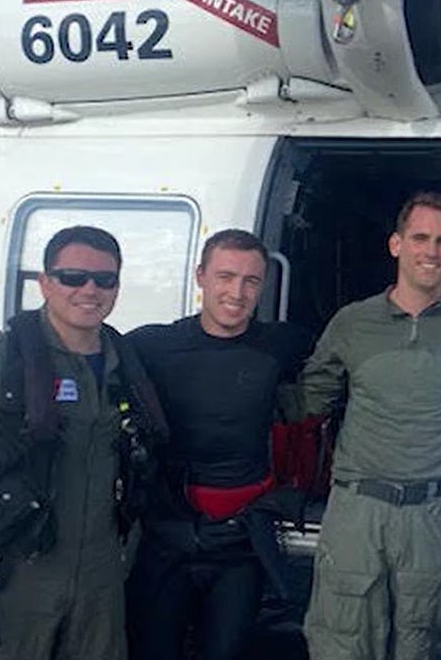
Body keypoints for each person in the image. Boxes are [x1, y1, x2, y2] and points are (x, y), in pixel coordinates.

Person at [301, 191, 441, 660]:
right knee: (340, 642)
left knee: (418, 642)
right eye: (420, 238)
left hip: (432, 511)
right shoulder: (352, 323)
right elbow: (309, 401)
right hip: (358, 508)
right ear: (395, 245)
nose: (431, 251)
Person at [0, 226, 167, 659]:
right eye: (73, 277)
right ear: (44, 282)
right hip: (13, 575)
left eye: (105, 279)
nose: (90, 290)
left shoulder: (127, 367)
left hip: (100, 581)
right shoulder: (1, 364)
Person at [124, 229, 313, 660]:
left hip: (240, 542)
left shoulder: (281, 344)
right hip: (168, 534)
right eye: (225, 276)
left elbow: (348, 351)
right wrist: (2, 347)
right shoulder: (153, 345)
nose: (237, 292)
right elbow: (81, 348)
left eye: (251, 281)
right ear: (201, 276)